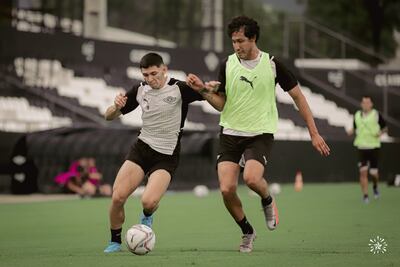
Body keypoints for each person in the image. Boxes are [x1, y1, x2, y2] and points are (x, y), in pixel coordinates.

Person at [187, 15, 330, 253]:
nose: (237, 46)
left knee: (252, 179)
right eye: (233, 41)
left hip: (259, 133)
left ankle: (267, 199)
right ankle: (247, 231)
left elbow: (299, 98)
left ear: (253, 38)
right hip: (230, 133)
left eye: (241, 40)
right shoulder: (227, 64)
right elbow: (222, 104)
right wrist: (202, 91)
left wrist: (314, 133)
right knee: (226, 189)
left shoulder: (274, 65)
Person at [103, 52, 204, 253]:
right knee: (117, 197)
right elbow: (108, 116)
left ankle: (147, 215)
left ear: (164, 69)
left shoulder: (179, 88)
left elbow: (211, 95)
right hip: (141, 149)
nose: (150, 79)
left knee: (148, 201)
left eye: (154, 73)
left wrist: (208, 87)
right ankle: (115, 241)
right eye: (146, 75)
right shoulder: (140, 90)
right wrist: (116, 106)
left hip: (166, 155)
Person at [347, 96, 387, 203]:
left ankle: (375, 186)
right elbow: (355, 127)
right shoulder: (357, 115)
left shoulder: (376, 115)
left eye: (367, 102)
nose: (365, 104)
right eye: (363, 102)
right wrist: (351, 131)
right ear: (361, 104)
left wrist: (380, 133)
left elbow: (385, 128)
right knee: (363, 172)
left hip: (374, 147)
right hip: (361, 147)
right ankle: (365, 196)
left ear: (371, 104)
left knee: (373, 172)